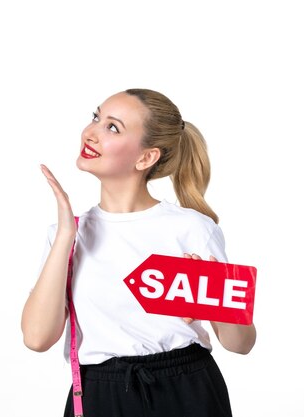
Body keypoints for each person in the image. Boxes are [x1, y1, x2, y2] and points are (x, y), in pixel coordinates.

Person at [20, 88, 256, 417]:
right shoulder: (67, 235)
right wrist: (64, 236)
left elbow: (240, 343)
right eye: (96, 117)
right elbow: (36, 338)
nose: (91, 133)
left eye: (112, 127)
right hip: (100, 393)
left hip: (187, 389)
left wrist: (213, 299)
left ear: (146, 158)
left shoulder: (192, 228)